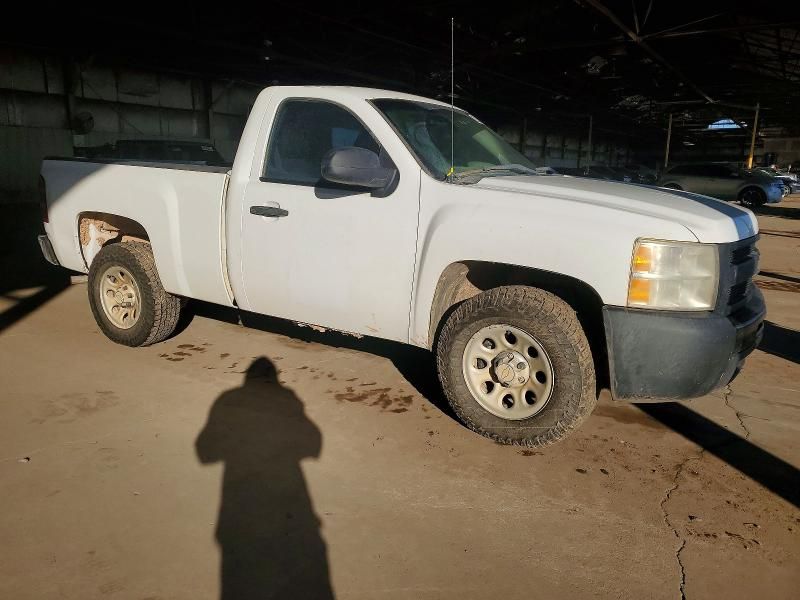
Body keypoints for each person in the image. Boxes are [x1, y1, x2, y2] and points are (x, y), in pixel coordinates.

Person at [196, 357, 333, 599]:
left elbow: (204, 453)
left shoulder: (226, 400)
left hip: (238, 521)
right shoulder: (289, 399)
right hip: (291, 518)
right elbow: (315, 444)